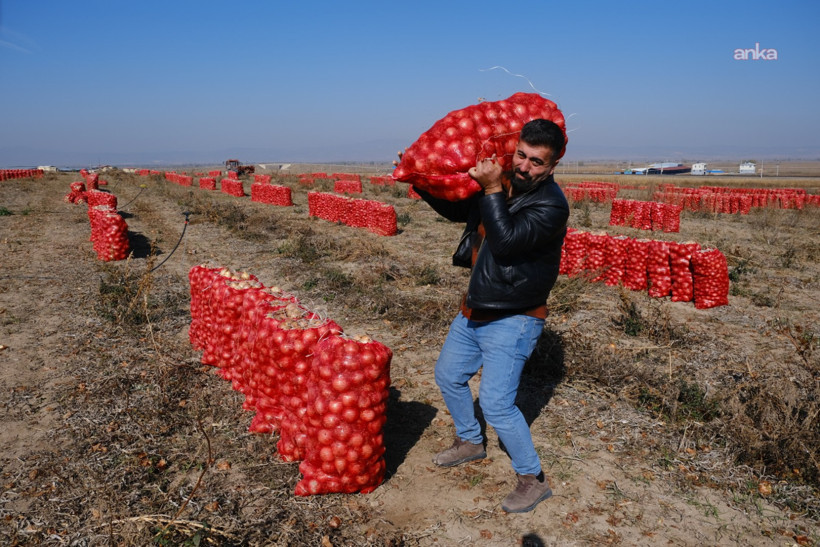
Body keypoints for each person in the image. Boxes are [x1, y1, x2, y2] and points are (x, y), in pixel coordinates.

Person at [401, 118, 569, 513]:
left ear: (553, 165)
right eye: (521, 156)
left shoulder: (550, 205)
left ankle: (533, 479)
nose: (525, 166)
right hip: (476, 306)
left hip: (515, 316)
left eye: (537, 162)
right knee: (448, 375)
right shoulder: (507, 185)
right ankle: (470, 442)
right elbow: (461, 211)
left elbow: (507, 243)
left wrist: (492, 188)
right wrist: (420, 180)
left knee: (496, 403)